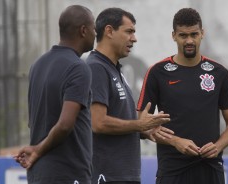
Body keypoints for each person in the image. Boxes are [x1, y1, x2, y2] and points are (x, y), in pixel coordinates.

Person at [137, 8, 228, 184]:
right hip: (172, 171)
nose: (189, 40)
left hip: (210, 169)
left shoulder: (219, 73)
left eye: (194, 34)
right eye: (183, 35)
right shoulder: (157, 72)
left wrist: (218, 146)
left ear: (202, 34)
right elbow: (141, 123)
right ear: (174, 36)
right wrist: (175, 141)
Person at [86, 7, 171, 184]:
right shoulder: (96, 67)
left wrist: (145, 130)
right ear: (109, 31)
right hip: (107, 176)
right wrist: (139, 124)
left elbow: (120, 118)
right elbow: (98, 122)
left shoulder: (115, 69)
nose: (134, 38)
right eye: (129, 31)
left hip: (124, 176)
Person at [14, 5, 95, 184]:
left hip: (39, 174)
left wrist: (37, 151)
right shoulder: (78, 67)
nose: (95, 34)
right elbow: (65, 124)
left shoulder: (37, 65)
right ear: (83, 30)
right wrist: (38, 150)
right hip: (67, 173)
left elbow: (33, 120)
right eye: (93, 29)